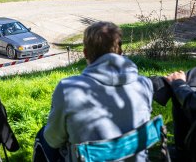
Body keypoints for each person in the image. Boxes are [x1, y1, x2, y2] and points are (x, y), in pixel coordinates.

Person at [34, 22, 153, 162]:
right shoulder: (145, 85)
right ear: (120, 52)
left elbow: (53, 140)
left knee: (43, 135)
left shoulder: (69, 89)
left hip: (88, 157)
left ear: (85, 53)